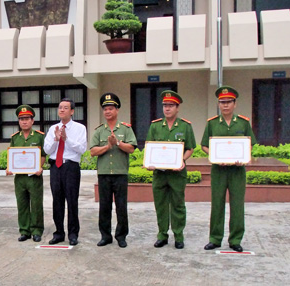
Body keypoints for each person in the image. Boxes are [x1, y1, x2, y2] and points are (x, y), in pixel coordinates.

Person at [201, 86, 257, 253]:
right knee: (217, 204)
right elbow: (204, 145)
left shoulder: (243, 123)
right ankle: (215, 239)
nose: (225, 105)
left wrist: (245, 157)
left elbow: (250, 144)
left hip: (237, 171)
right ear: (218, 104)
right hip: (219, 170)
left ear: (235, 104)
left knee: (237, 205)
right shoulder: (212, 123)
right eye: (222, 102)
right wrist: (215, 156)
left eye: (228, 102)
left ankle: (235, 239)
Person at [145, 91, 196, 249]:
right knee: (160, 205)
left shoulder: (185, 126)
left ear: (177, 107)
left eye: (171, 105)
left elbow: (190, 148)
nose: (167, 108)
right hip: (159, 174)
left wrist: (182, 160)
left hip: (177, 174)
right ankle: (162, 235)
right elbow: (150, 148)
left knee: (178, 205)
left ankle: (179, 236)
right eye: (165, 105)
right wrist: (150, 162)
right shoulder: (155, 126)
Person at [90, 93, 137, 248]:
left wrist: (117, 143)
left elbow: (131, 148)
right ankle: (105, 236)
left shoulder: (126, 129)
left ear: (117, 110)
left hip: (120, 173)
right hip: (104, 174)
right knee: (104, 206)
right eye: (105, 109)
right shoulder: (99, 131)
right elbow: (93, 151)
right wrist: (107, 147)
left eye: (110, 108)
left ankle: (121, 236)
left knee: (121, 207)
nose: (107, 112)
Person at [44, 98, 87, 246]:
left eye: (65, 108)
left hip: (71, 167)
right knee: (57, 201)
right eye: (60, 107)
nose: (62, 110)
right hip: (56, 167)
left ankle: (73, 234)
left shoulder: (80, 128)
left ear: (72, 111)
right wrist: (56, 139)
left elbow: (82, 149)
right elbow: (47, 150)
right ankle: (59, 233)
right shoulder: (52, 128)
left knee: (72, 201)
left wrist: (66, 139)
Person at [6, 105, 46, 242]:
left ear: (32, 121)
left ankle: (36, 230)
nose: (24, 121)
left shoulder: (40, 136)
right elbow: (12, 156)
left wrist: (39, 167)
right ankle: (24, 230)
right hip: (20, 178)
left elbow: (43, 155)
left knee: (36, 204)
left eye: (27, 119)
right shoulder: (15, 138)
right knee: (22, 204)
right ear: (19, 121)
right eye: (21, 119)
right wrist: (9, 168)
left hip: (34, 177)